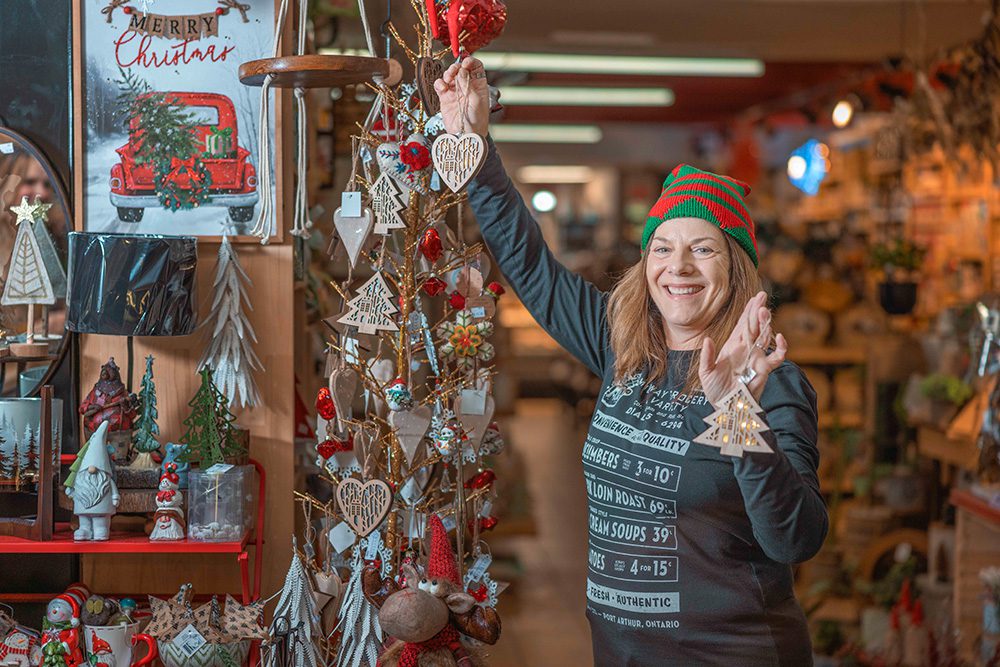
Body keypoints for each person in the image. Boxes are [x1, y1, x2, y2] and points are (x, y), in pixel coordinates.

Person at [435, 57, 829, 665]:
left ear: (738, 267)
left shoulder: (771, 382)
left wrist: (734, 408)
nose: (680, 267)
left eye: (704, 249)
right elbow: (531, 265)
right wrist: (475, 146)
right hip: (622, 652)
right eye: (664, 248)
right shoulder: (626, 351)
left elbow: (795, 539)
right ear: (646, 264)